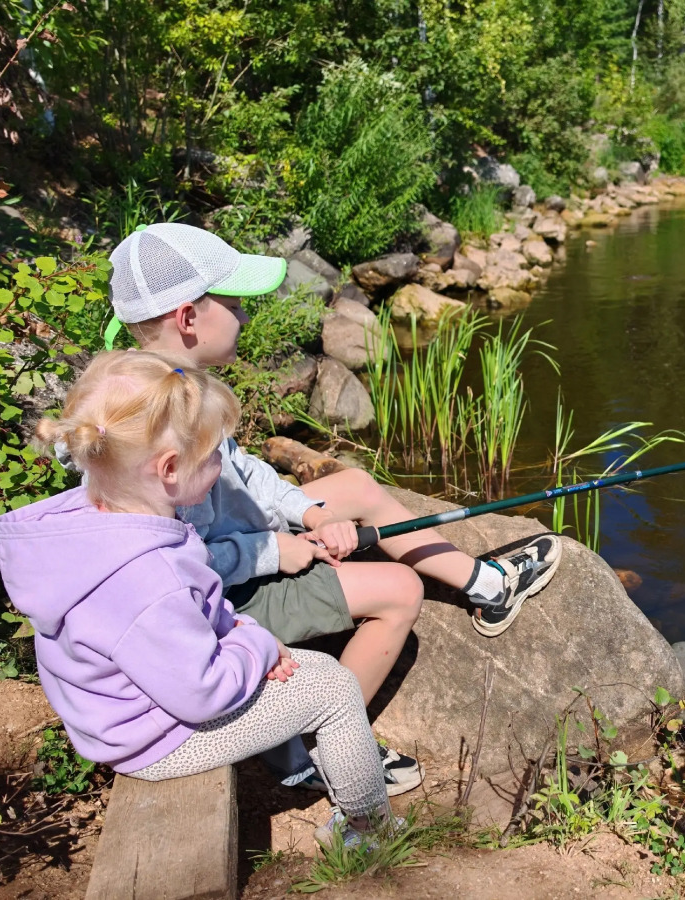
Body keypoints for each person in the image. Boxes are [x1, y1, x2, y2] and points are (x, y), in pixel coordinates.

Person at [101, 223, 564, 793]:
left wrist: (311, 514)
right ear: (187, 318)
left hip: (239, 545)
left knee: (359, 487)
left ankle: (487, 586)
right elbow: (180, 567)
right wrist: (277, 551)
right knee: (401, 592)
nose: (245, 316)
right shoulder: (161, 426)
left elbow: (246, 476)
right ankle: (326, 740)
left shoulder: (159, 382)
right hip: (220, 598)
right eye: (234, 305)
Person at [0, 351, 392, 850]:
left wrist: (244, 633)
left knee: (313, 671)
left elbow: (203, 606)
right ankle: (368, 832)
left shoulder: (102, 520)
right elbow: (202, 693)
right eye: (212, 458)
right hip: (154, 739)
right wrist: (259, 648)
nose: (220, 466)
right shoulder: (147, 576)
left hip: (129, 711)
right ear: (169, 469)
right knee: (333, 688)